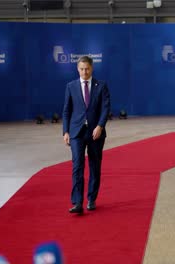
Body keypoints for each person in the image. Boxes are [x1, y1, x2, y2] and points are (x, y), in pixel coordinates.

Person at [62, 56, 110, 214]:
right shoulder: (71, 86)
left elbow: (105, 109)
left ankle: (91, 199)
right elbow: (67, 110)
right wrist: (66, 131)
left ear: (92, 68)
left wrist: (100, 126)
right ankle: (77, 202)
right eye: (81, 69)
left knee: (95, 166)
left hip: (96, 133)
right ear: (77, 69)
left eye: (87, 69)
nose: (84, 72)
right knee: (77, 166)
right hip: (76, 133)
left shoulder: (101, 86)